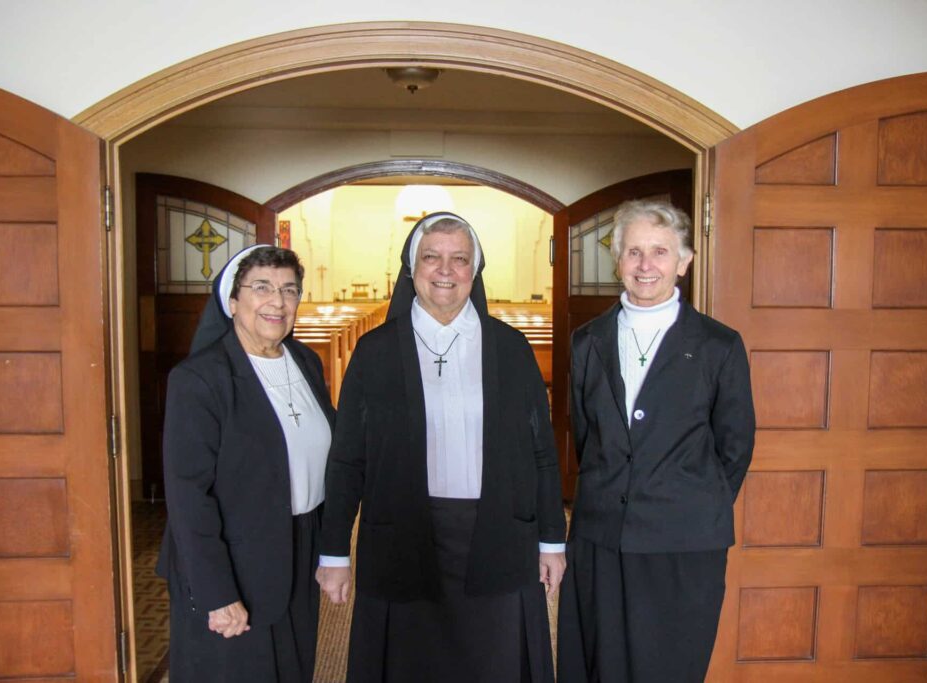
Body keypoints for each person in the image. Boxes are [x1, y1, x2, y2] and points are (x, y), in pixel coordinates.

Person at [316, 212, 567, 683]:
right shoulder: (375, 352)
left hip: (496, 535)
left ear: (475, 271)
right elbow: (348, 458)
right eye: (432, 257)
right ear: (412, 269)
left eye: (460, 259)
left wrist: (552, 539)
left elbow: (541, 452)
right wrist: (334, 552)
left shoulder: (511, 349)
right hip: (402, 537)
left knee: (492, 663)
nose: (446, 270)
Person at [557, 200, 755, 683]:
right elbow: (586, 436)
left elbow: (735, 444)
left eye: (661, 252)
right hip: (602, 536)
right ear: (618, 261)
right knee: (599, 661)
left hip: (683, 540)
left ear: (684, 262)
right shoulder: (588, 341)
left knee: (669, 665)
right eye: (634, 252)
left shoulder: (718, 345)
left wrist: (685, 498)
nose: (646, 266)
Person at [157, 245, 335, 682]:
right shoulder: (199, 379)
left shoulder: (307, 362)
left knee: (293, 667)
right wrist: (216, 592)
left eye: (289, 289)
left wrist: (331, 551)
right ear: (232, 301)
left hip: (298, 545)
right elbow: (187, 496)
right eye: (262, 287)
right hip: (230, 558)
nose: (278, 301)